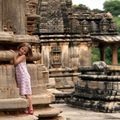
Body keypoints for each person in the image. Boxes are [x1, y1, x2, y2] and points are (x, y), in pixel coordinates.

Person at [11, 42, 33, 115]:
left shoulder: (23, 56)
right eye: (22, 49)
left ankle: (30, 108)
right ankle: (27, 108)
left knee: (28, 93)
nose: (22, 51)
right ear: (20, 47)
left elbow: (15, 63)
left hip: (24, 76)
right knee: (25, 93)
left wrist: (13, 55)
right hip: (21, 77)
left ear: (26, 53)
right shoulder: (19, 55)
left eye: (24, 51)